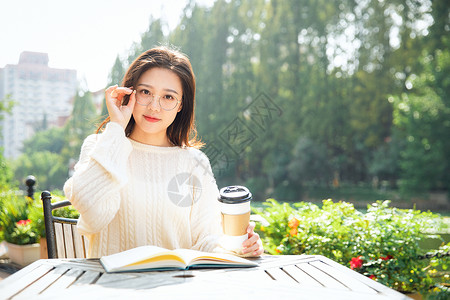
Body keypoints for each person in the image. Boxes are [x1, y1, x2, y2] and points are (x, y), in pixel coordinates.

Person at [63, 46, 263, 258]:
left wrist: (240, 248)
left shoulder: (194, 162)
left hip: (176, 286)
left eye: (168, 97)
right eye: (145, 92)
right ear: (129, 94)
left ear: (180, 106)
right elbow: (92, 213)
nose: (154, 106)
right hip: (113, 284)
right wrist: (116, 127)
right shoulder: (100, 146)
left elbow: (207, 237)